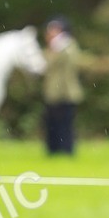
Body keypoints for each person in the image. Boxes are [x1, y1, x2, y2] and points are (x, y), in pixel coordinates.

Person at [43, 16, 82, 155]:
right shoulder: (52, 47)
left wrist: (55, 49)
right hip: (52, 91)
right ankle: (53, 150)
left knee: (65, 124)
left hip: (66, 92)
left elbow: (70, 64)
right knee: (52, 123)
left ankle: (66, 150)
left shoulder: (68, 45)